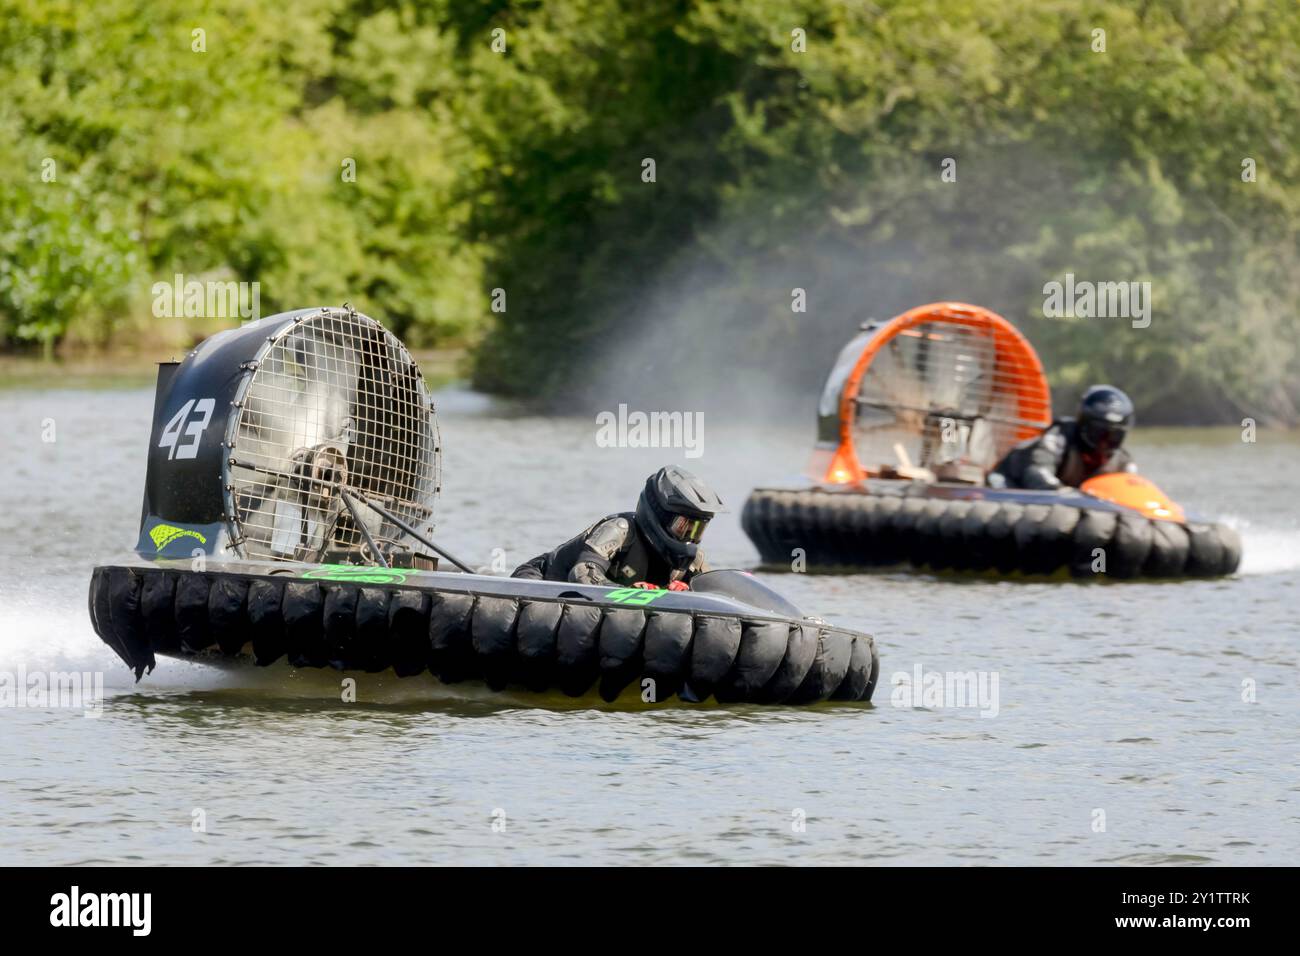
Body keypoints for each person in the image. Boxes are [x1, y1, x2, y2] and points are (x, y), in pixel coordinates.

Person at [511, 465, 725, 589]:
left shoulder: (691, 561)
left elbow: (718, 591)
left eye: (698, 529)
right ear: (659, 515)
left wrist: (687, 591)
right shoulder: (620, 529)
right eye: (684, 526)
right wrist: (630, 593)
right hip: (539, 582)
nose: (690, 536)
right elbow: (582, 576)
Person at [989, 385, 1137, 490]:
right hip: (1009, 484)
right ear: (1083, 426)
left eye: (1114, 437)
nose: (1104, 443)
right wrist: (1067, 495)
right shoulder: (1058, 439)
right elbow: (1037, 474)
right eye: (1099, 434)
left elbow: (1130, 492)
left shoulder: (1122, 462)